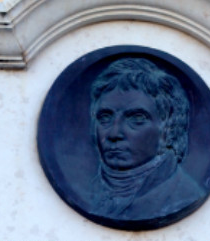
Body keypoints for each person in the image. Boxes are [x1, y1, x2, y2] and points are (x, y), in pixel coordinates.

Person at [82, 57, 203, 224]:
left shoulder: (183, 196)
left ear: (168, 129)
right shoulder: (87, 191)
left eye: (136, 119)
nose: (114, 133)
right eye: (105, 118)